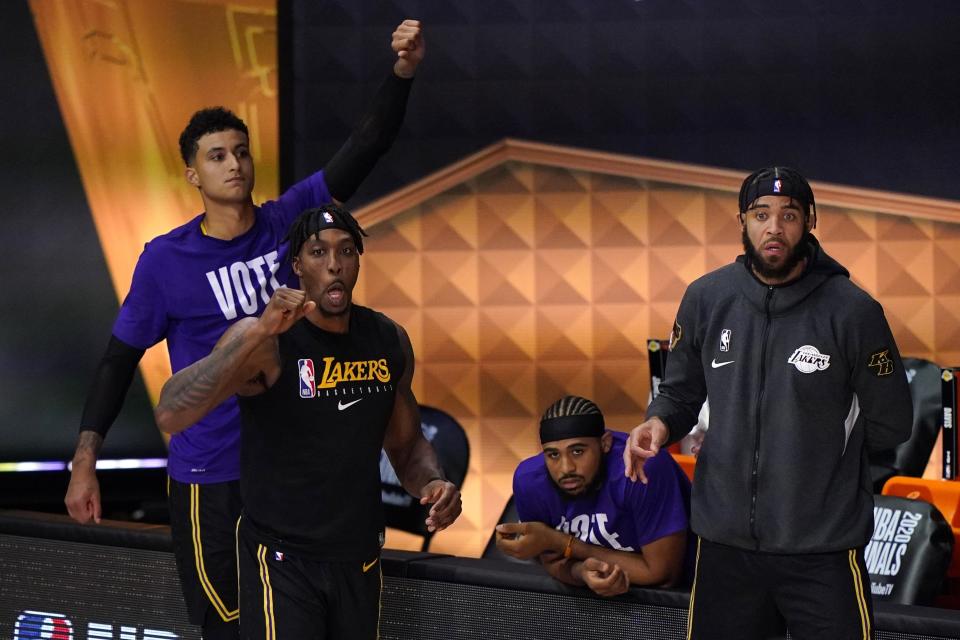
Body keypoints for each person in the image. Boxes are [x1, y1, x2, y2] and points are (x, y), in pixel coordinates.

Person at [64, 19, 427, 639]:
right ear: (192, 174)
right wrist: (85, 457)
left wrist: (402, 73)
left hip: (293, 475)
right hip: (214, 474)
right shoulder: (165, 259)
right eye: (217, 155)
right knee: (226, 628)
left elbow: (365, 146)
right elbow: (119, 357)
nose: (234, 164)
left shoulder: (291, 221)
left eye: (241, 150)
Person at [623, 167, 913, 639]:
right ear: (742, 220)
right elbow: (679, 393)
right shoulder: (706, 298)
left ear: (810, 221)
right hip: (724, 548)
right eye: (761, 215)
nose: (774, 228)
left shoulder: (853, 311)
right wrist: (657, 424)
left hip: (821, 551)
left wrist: (821, 464)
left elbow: (892, 423)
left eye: (789, 215)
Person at [153, 204, 462, 640]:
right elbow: (171, 412)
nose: (334, 264)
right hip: (283, 559)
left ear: (358, 260)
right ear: (297, 265)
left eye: (346, 250)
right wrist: (259, 332)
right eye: (318, 252)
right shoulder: (264, 339)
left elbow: (407, 449)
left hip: (358, 557)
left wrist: (434, 484)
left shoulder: (388, 339)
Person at [495, 395, 692, 597]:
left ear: (605, 443)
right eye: (553, 455)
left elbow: (664, 576)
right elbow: (551, 562)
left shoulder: (642, 467)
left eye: (578, 451)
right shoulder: (530, 481)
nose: (566, 468)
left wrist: (561, 543)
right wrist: (580, 572)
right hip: (590, 604)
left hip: (682, 599)